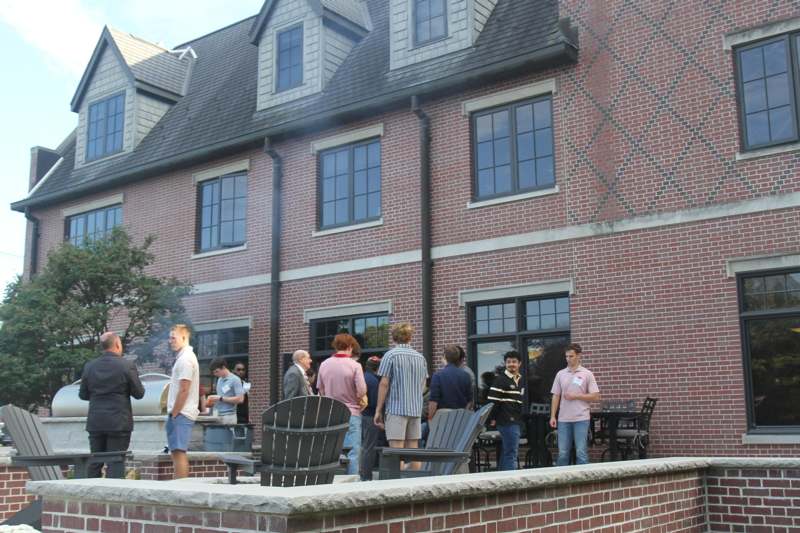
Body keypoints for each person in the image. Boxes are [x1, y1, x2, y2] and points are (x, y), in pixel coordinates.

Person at [79, 332, 144, 478]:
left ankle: (90, 498)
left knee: (95, 462)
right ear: (117, 344)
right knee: (115, 463)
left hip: (95, 422)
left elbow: (83, 395)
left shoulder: (90, 366)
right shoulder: (126, 366)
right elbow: (139, 394)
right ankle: (113, 498)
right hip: (118, 423)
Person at [374, 322, 427, 470]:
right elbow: (423, 385)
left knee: (396, 451)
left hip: (396, 408)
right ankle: (415, 483)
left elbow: (384, 383)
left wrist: (378, 409)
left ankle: (397, 483)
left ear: (394, 337)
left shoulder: (390, 355)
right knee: (413, 449)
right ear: (410, 337)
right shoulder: (420, 357)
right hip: (415, 409)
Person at [318, 334, 367, 476]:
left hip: (331, 413)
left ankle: (333, 479)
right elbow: (362, 390)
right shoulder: (355, 365)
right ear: (350, 347)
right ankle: (351, 482)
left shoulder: (324, 364)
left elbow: (320, 390)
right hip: (351, 412)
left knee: (332, 450)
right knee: (353, 451)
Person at [549, 343, 601, 466]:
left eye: (571, 356)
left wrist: (576, 396)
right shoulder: (560, 374)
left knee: (581, 452)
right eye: (566, 356)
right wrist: (553, 416)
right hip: (563, 419)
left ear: (579, 356)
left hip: (581, 418)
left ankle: (583, 482)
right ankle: (561, 481)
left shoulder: (587, 374)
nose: (568, 359)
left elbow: (596, 396)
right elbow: (555, 395)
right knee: (562, 452)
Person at [165, 324, 199, 479]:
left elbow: (184, 389)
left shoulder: (186, 360)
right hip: (180, 412)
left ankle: (181, 486)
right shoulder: (183, 358)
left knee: (179, 452)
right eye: (170, 337)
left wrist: (175, 413)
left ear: (184, 338)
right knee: (176, 451)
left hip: (182, 413)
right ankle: (179, 484)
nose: (170, 341)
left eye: (173, 337)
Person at [487, 351, 524, 471]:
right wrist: (492, 419)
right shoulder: (500, 380)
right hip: (507, 422)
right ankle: (512, 482)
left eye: (514, 362)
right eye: (508, 362)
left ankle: (501, 479)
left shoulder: (519, 380)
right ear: (505, 363)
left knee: (507, 453)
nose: (511, 364)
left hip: (515, 421)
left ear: (519, 364)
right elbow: (493, 402)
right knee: (511, 454)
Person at [428, 344, 473, 421]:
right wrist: (463, 415)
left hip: (442, 421)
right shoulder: (466, 376)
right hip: (460, 421)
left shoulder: (437, 376)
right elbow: (470, 401)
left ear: (445, 357)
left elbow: (433, 402)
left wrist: (430, 418)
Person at [359, 356, 386, 481]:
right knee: (369, 448)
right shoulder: (375, 382)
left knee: (365, 446)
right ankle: (366, 477)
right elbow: (376, 403)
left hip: (362, 415)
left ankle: (364, 474)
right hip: (371, 417)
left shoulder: (363, 377)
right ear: (378, 368)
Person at [206, 358, 244, 425]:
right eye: (214, 372)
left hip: (229, 417)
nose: (215, 374)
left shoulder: (236, 380)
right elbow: (220, 397)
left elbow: (240, 399)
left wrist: (221, 398)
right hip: (217, 415)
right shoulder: (219, 380)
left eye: (216, 371)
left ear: (223, 367)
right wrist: (212, 402)